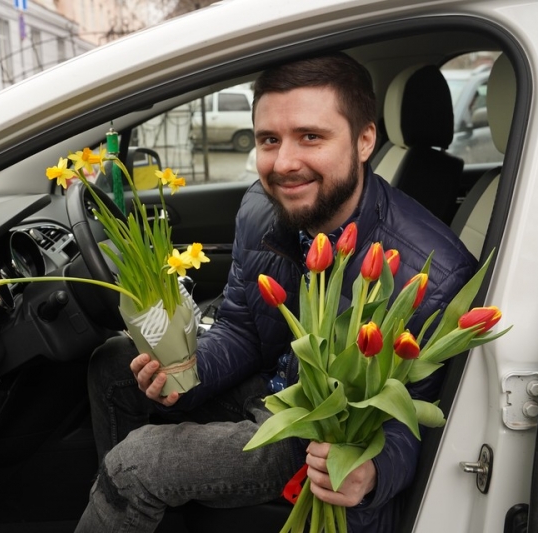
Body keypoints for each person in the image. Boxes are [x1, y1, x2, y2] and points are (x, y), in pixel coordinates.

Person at [75, 52, 477, 533]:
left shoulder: (429, 276)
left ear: (364, 139)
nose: (284, 163)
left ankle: (125, 490)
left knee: (136, 464)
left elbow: (413, 427)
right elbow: (242, 329)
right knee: (112, 365)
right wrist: (185, 372)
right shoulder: (261, 209)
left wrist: (369, 474)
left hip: (313, 439)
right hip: (270, 388)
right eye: (269, 139)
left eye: (310, 136)